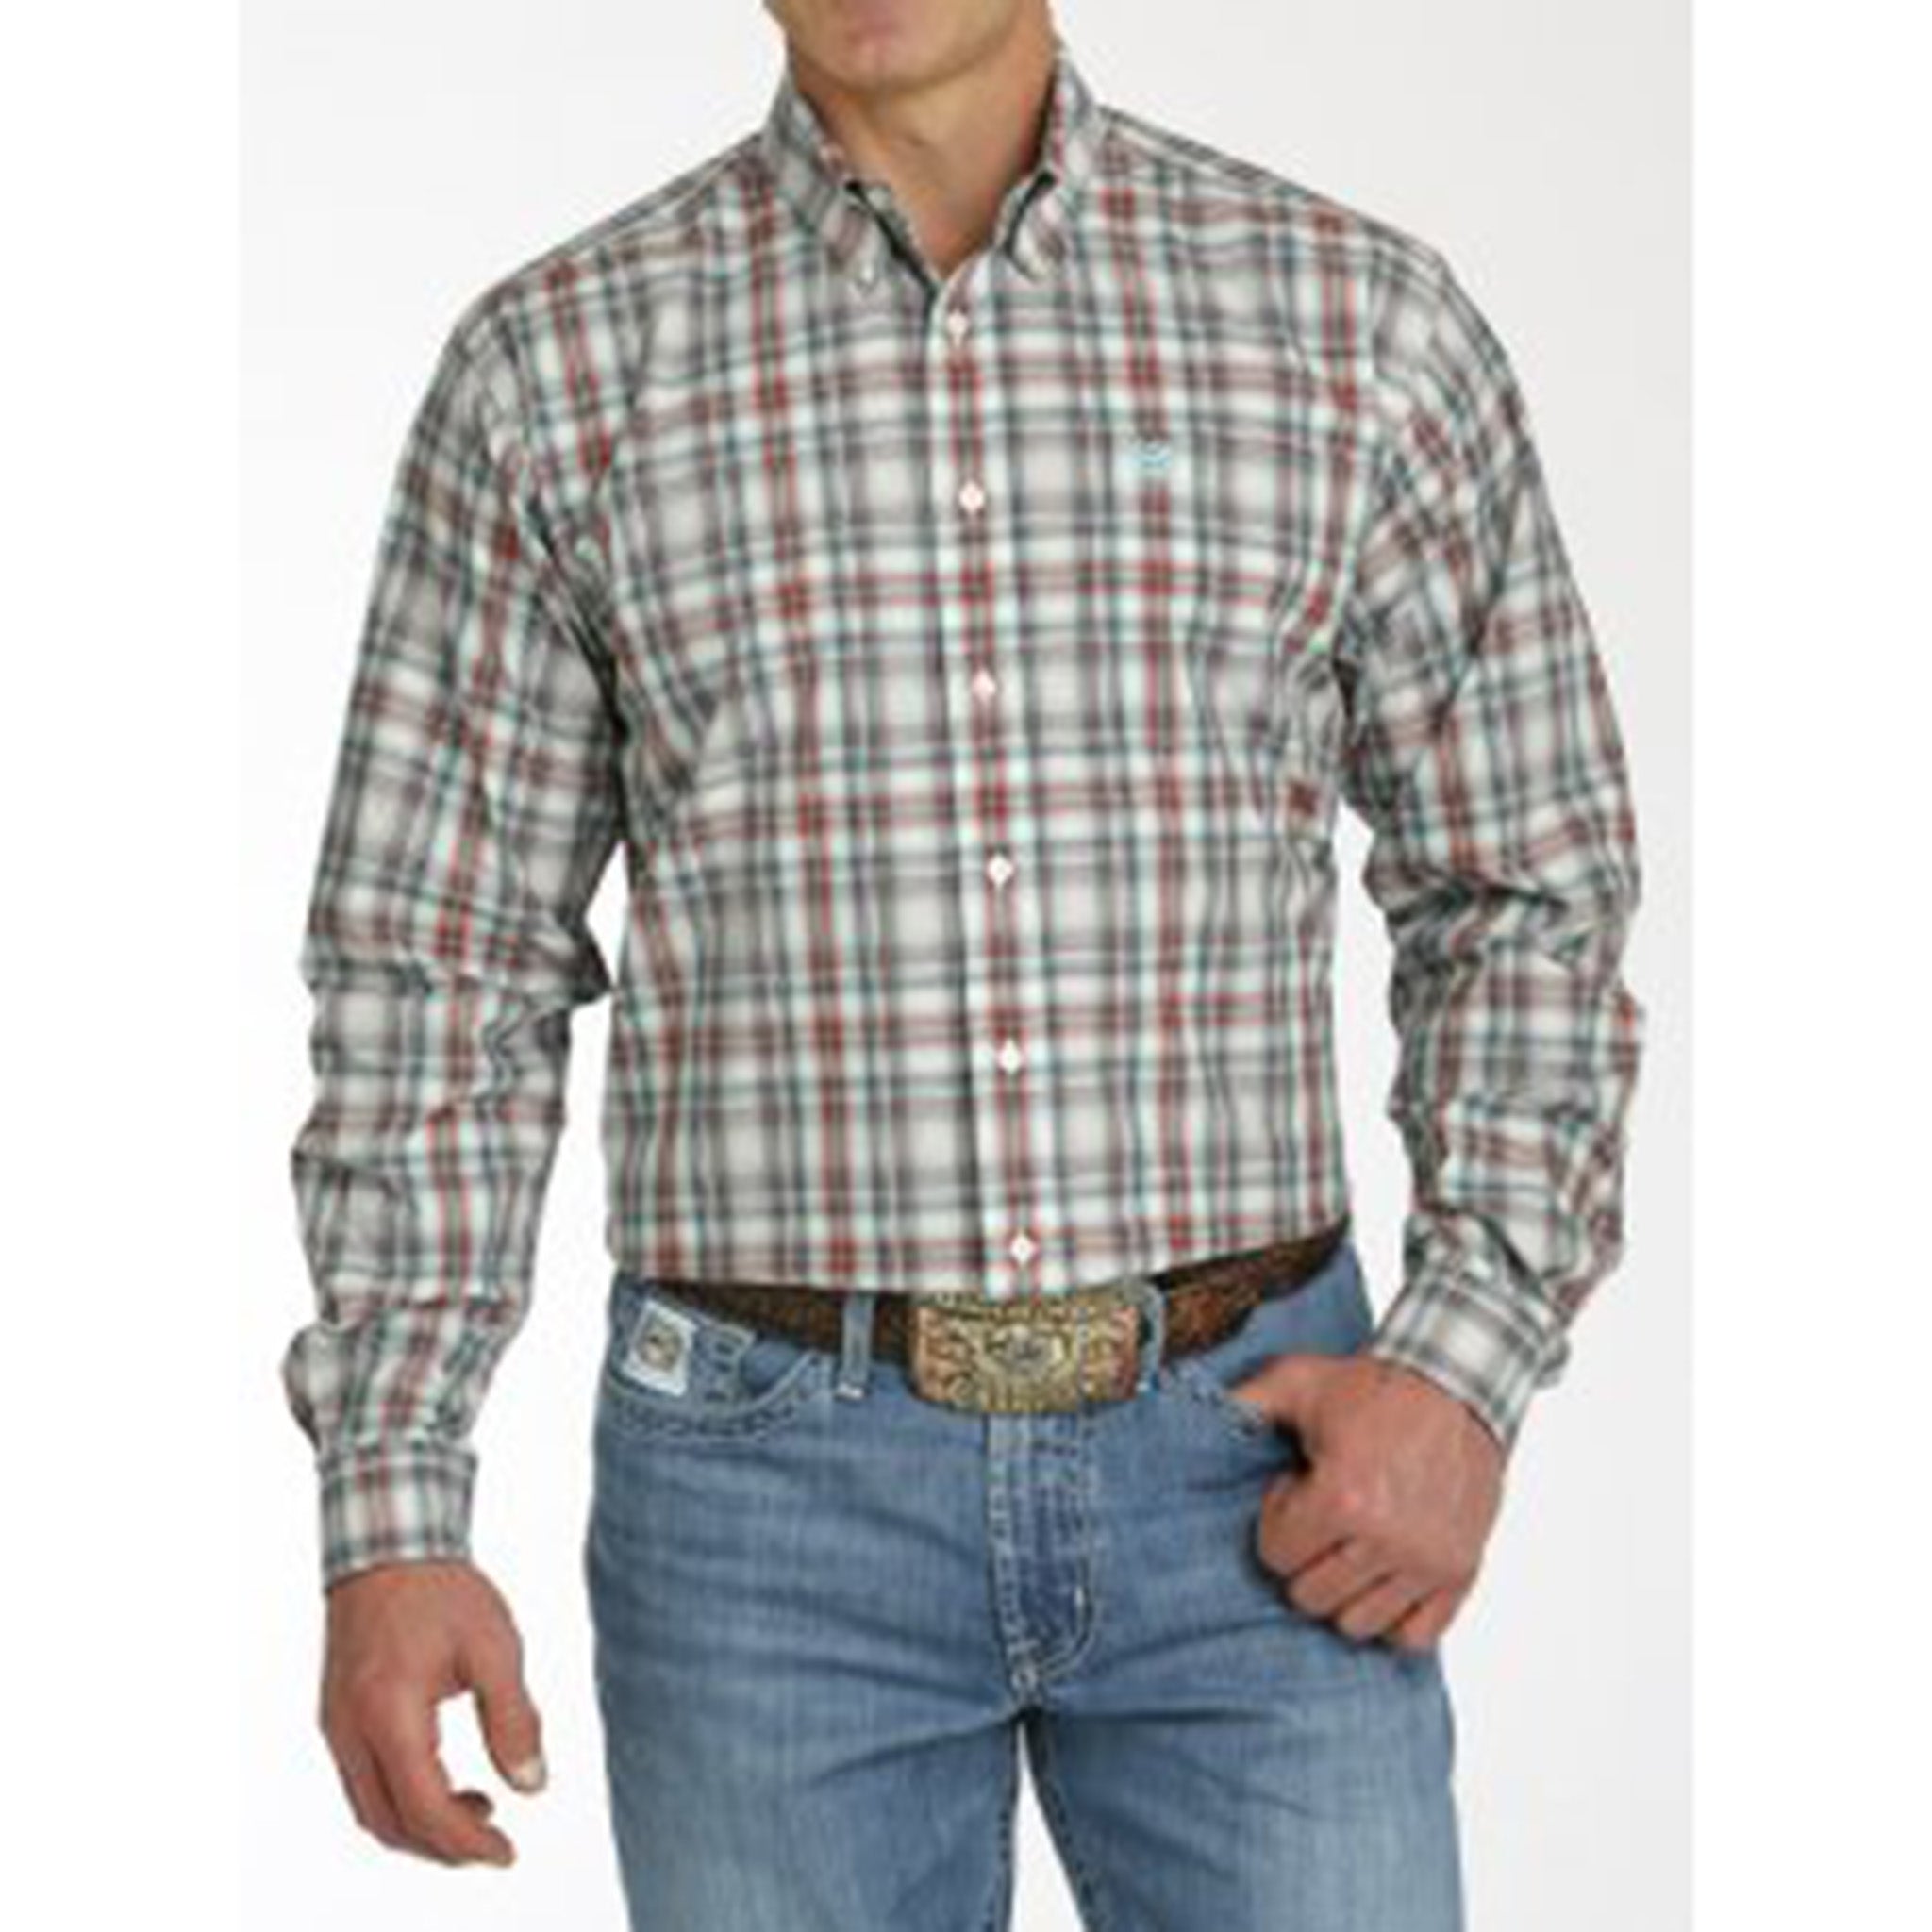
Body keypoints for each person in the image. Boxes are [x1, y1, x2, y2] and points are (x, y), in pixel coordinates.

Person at [281, 4, 1647, 1925]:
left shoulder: (1353, 327)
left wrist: (1466, 1367)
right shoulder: (556, 368)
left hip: (1256, 1472)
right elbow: (438, 960)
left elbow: (1525, 882)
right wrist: (391, 1503)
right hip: (763, 1514)